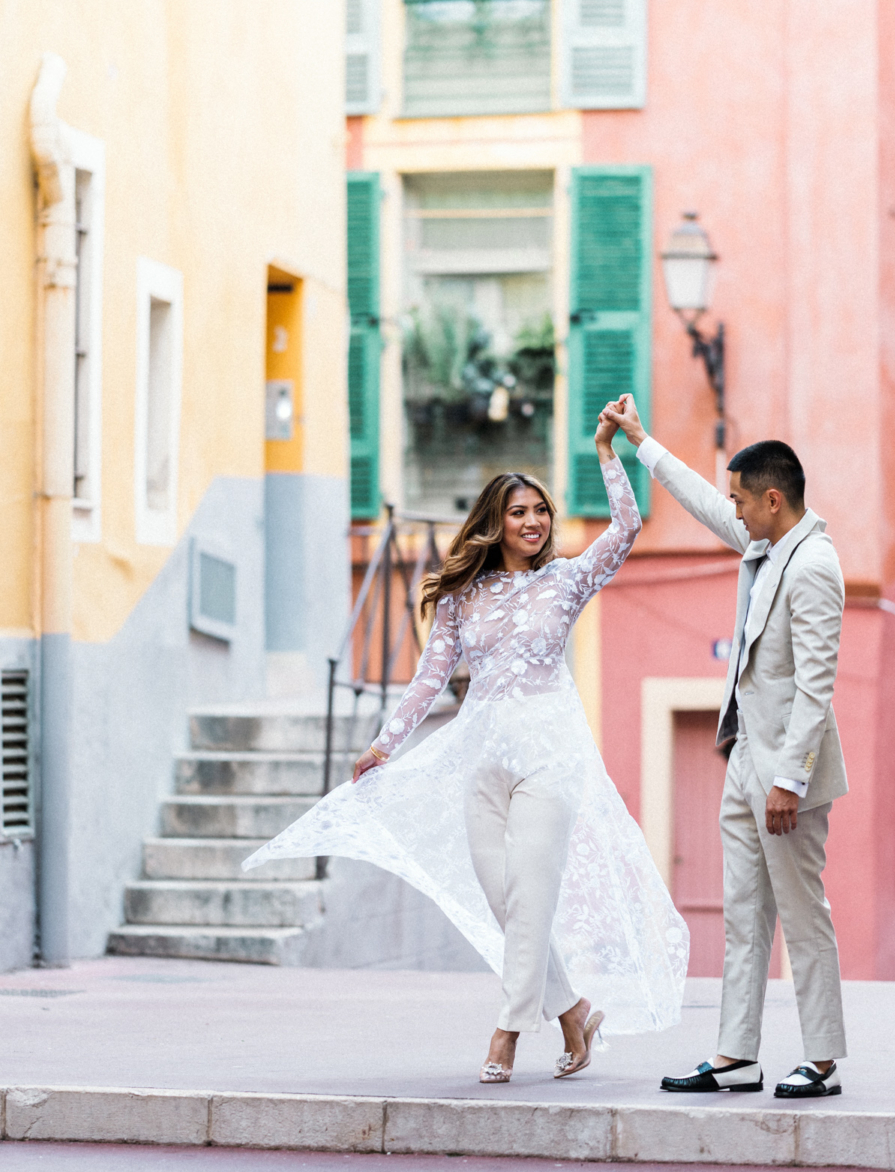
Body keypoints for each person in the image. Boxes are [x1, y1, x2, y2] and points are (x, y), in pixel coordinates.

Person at [243, 406, 688, 1083]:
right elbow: (430, 675)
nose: (534, 521)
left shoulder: (566, 580)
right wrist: (385, 743)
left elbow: (626, 528)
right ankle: (573, 1012)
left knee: (532, 895)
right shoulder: (463, 595)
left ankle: (508, 1030)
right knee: (506, 898)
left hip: (550, 751)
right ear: (494, 522)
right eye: (519, 512)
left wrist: (608, 449)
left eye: (540, 510)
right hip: (482, 754)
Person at [603, 394, 847, 1100]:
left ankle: (823, 1059)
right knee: (743, 918)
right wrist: (642, 442)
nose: (732, 510)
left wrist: (790, 782)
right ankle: (737, 1055)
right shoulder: (766, 543)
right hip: (744, 762)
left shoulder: (814, 566)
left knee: (804, 918)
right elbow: (705, 503)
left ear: (774, 499)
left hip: (785, 778)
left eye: (743, 500)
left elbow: (816, 687)